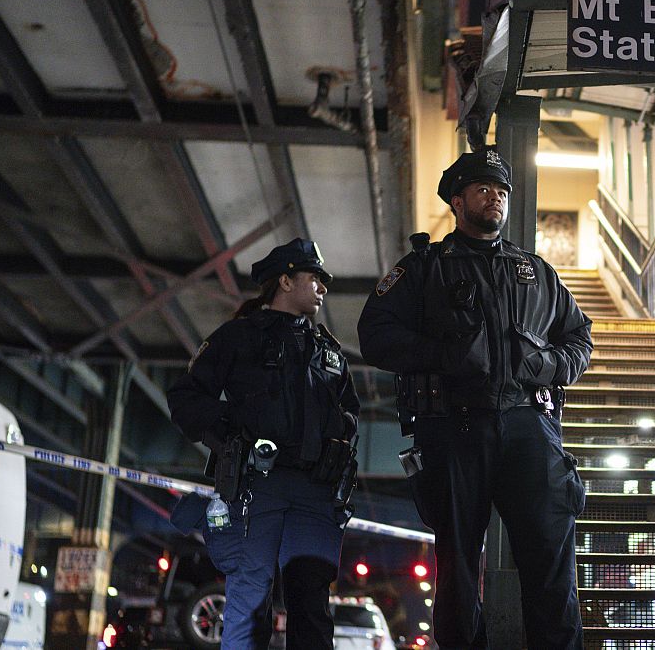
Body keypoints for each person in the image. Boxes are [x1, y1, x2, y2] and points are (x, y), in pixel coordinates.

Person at [356, 148, 593, 649]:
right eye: (484, 190)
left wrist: (548, 366)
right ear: (458, 201)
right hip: (454, 429)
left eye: (502, 191)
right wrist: (445, 354)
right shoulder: (424, 269)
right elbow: (374, 335)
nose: (496, 199)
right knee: (460, 565)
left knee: (551, 559)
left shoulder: (536, 272)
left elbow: (580, 338)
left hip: (531, 427)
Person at [167, 238, 360, 649]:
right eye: (315, 278)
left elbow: (350, 413)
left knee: (311, 603)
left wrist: (339, 441)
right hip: (257, 485)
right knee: (250, 597)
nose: (323, 288)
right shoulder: (238, 337)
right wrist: (226, 437)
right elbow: (186, 397)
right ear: (286, 281)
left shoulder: (328, 350)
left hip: (315, 492)